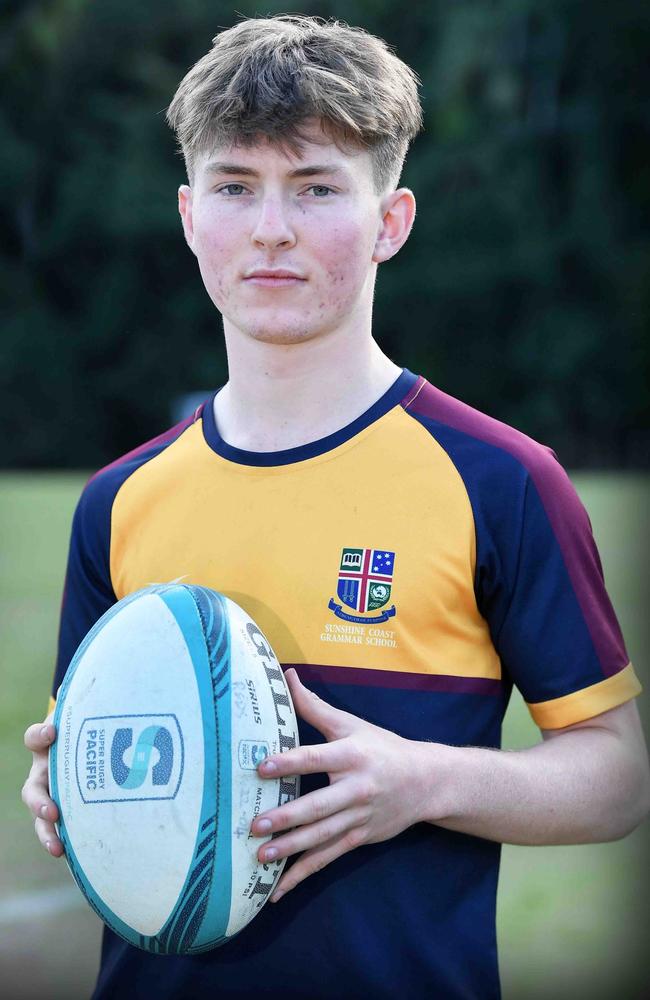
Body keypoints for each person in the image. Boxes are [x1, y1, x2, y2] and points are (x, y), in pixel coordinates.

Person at [22, 14, 649, 1000]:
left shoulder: (498, 480)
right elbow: (99, 744)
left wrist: (422, 782)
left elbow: (615, 776)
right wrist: (61, 785)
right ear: (190, 217)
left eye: (315, 189)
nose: (270, 227)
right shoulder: (118, 501)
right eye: (235, 186)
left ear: (389, 221)